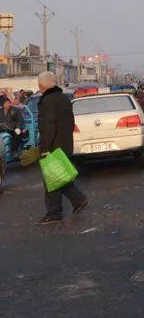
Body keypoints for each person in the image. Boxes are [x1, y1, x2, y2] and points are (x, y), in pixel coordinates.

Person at [36, 71, 88, 225]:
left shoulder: (48, 100)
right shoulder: (64, 98)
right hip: (65, 143)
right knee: (60, 176)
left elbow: (48, 126)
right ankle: (78, 200)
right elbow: (71, 122)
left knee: (51, 179)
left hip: (53, 146)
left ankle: (54, 213)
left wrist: (44, 147)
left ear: (41, 85)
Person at [0, 95, 25, 163]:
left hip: (12, 128)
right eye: (6, 103)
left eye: (8, 102)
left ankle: (14, 151)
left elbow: (19, 120)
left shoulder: (15, 110)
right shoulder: (0, 111)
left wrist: (18, 128)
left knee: (17, 134)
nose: (8, 104)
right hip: (2, 129)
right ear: (2, 104)